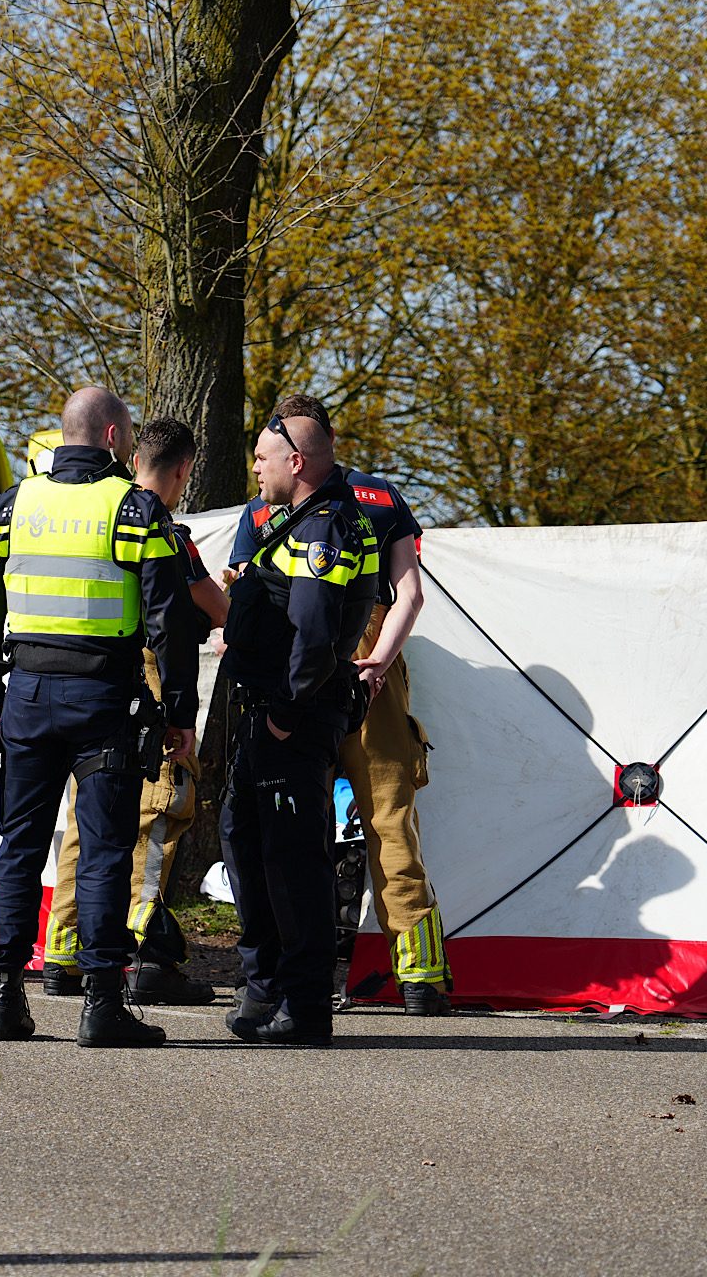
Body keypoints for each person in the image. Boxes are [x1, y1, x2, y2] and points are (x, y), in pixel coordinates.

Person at [0, 387, 199, 1047]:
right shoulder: (134, 507)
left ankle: (5, 997)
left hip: (28, 697)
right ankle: (101, 1005)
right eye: (124, 438)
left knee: (19, 846)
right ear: (110, 437)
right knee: (100, 853)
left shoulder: (15, 506)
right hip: (103, 700)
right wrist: (180, 709)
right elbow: (170, 618)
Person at [228, 399, 449, 1015]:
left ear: (292, 448)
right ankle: (419, 976)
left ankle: (292, 978)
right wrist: (378, 660)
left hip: (297, 666)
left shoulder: (266, 505)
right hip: (370, 660)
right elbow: (411, 593)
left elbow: (246, 590)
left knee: (290, 825)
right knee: (389, 818)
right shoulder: (379, 497)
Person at [42, 417, 226, 1005]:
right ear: (181, 471)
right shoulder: (161, 526)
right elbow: (213, 608)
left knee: (85, 820)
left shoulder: (95, 512)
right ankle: (145, 953)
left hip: (91, 676)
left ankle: (64, 951)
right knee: (161, 805)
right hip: (149, 674)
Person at [218, 398, 379, 1046]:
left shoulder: (324, 529)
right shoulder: (294, 522)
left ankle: (305, 1002)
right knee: (244, 839)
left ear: (296, 460)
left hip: (295, 715)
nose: (255, 468)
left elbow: (314, 632)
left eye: (262, 458)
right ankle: (266, 983)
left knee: (293, 860)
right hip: (272, 714)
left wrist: (285, 711)